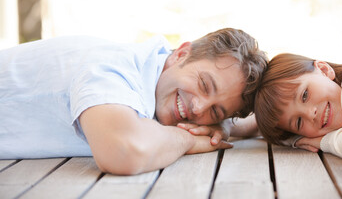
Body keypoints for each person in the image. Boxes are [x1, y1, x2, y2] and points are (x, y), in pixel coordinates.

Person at [0, 28, 267, 175]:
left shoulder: (160, 84)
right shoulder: (112, 68)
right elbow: (124, 153)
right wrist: (189, 140)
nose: (198, 108)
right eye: (204, 85)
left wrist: (226, 127)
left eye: (216, 110)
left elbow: (243, 123)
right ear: (182, 54)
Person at [254, 53, 342, 162]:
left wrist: (322, 142)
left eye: (304, 95)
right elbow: (283, 138)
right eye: (299, 121)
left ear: (324, 70)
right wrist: (296, 140)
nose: (309, 114)